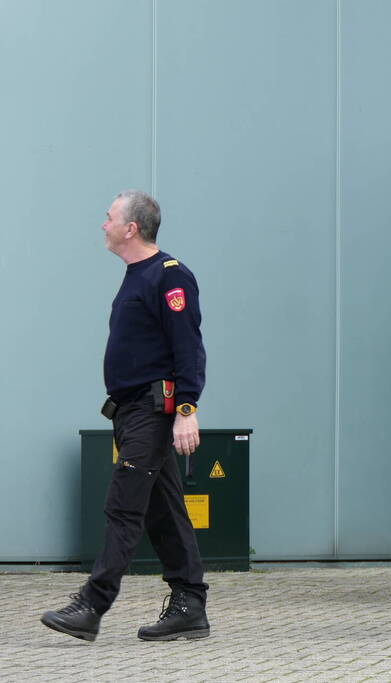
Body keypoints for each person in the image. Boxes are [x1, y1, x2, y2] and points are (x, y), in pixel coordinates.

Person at [41, 190, 210, 642]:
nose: (103, 224)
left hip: (154, 411)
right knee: (164, 510)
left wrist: (186, 410)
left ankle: (92, 604)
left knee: (123, 505)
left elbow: (188, 349)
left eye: (109, 217)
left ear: (131, 228)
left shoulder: (168, 277)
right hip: (133, 411)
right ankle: (189, 605)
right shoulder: (136, 276)